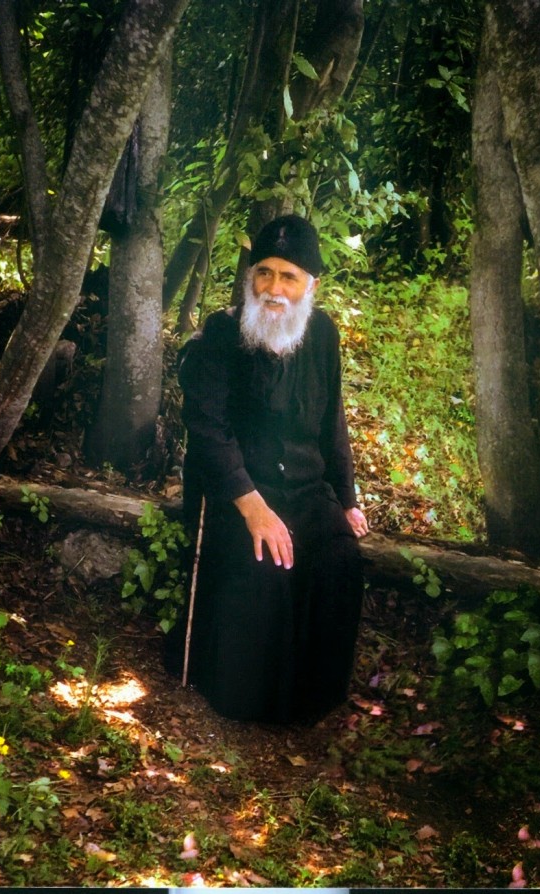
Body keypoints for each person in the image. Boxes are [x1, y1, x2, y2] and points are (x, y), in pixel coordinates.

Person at [172, 214, 369, 724]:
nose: (274, 288)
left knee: (340, 560)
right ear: (250, 276)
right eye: (264, 272)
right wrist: (253, 507)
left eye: (288, 277)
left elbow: (333, 421)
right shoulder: (222, 332)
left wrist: (347, 500)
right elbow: (208, 428)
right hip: (238, 492)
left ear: (311, 286)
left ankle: (311, 703)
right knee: (266, 566)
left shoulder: (322, 334)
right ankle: (249, 705)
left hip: (305, 488)